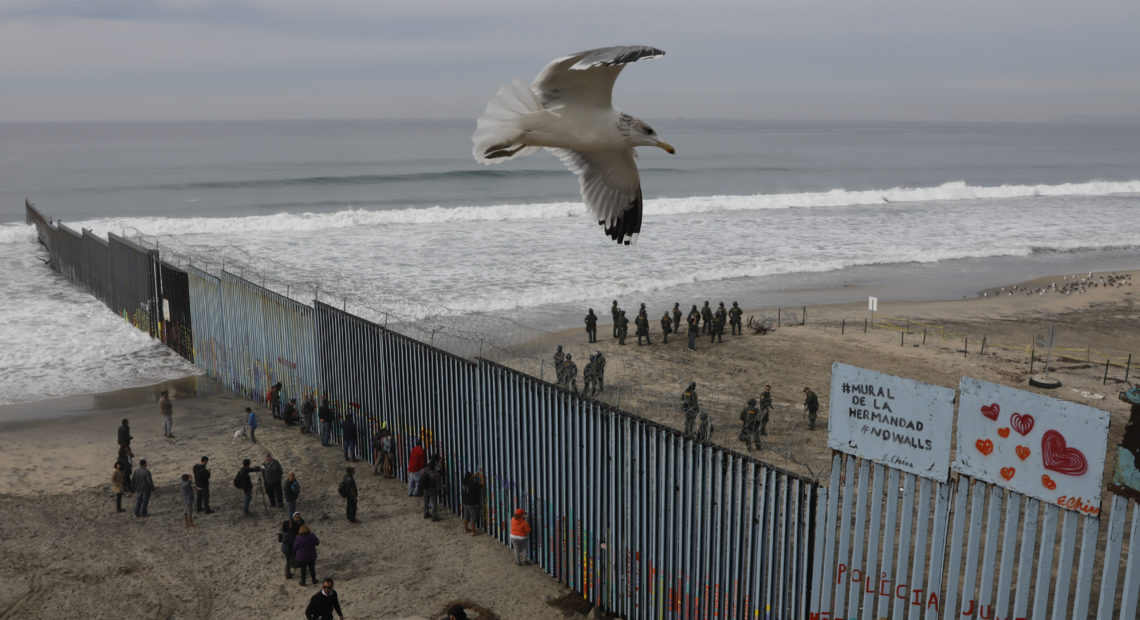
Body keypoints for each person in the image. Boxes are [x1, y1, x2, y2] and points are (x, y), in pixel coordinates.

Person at [461, 470, 484, 535]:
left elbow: (468, 478)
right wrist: (482, 477)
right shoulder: (472, 484)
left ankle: (465, 529)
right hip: (472, 503)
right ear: (470, 477)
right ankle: (473, 531)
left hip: (465, 502)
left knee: (466, 516)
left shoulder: (463, 482)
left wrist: (474, 475)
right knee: (473, 517)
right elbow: (482, 486)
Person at [420, 457, 442, 521]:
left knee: (426, 501)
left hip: (425, 489)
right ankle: (434, 516)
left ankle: (426, 513)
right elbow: (438, 480)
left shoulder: (423, 470)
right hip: (432, 489)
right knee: (434, 503)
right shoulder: (433, 474)